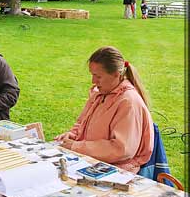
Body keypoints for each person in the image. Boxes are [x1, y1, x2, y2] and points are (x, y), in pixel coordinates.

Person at [54, 46, 154, 174]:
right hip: (91, 160)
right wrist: (72, 135)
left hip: (117, 171)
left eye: (98, 76)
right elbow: (82, 123)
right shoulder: (100, 93)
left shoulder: (128, 102)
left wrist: (76, 146)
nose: (93, 81)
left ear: (116, 75)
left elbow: (121, 149)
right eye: (92, 75)